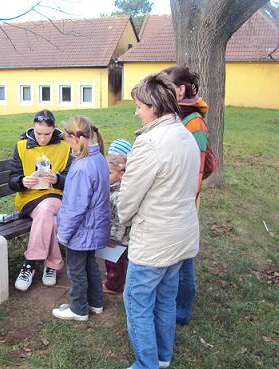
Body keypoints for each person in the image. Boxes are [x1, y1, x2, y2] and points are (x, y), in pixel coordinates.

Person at [118, 73, 200, 369]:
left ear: (153, 106)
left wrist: (122, 218)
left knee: (137, 301)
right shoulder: (185, 135)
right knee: (165, 298)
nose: (136, 111)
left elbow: (128, 197)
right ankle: (163, 357)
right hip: (180, 236)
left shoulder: (150, 143)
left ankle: (147, 364)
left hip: (155, 240)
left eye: (139, 105)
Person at [162, 66, 209, 326]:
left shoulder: (194, 122)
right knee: (179, 256)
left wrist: (187, 202)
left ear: (180, 89)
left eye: (166, 88)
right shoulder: (179, 116)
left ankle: (182, 310)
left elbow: (199, 169)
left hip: (185, 204)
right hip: (178, 202)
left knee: (184, 258)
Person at [52, 115, 110, 321]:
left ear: (74, 139)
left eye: (67, 141)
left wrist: (64, 234)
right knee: (90, 265)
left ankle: (78, 308)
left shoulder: (82, 167)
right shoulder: (99, 158)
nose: (68, 146)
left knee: (76, 270)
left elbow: (75, 207)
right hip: (94, 228)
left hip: (81, 231)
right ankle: (96, 302)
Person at [9, 110, 73, 291]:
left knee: (46, 210)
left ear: (54, 129)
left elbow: (73, 179)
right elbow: (12, 180)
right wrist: (22, 181)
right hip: (29, 199)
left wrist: (58, 179)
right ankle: (52, 264)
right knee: (48, 218)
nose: (43, 139)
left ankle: (30, 263)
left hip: (55, 197)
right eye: (38, 133)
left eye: (47, 134)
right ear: (32, 127)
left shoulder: (65, 146)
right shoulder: (21, 146)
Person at [104, 138, 132, 293]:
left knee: (115, 261)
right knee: (116, 261)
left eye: (108, 173)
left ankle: (114, 285)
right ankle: (117, 280)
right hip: (117, 236)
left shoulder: (118, 193)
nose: (105, 176)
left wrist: (112, 238)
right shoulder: (113, 186)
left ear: (122, 173)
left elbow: (118, 220)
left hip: (117, 237)